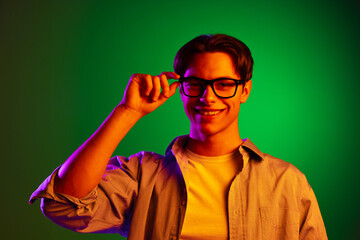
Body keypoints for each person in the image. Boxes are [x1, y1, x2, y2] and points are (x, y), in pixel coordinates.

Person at [29, 34, 327, 239]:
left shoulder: (287, 182)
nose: (207, 98)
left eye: (223, 84)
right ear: (180, 88)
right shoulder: (144, 176)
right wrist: (127, 111)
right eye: (195, 83)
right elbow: (62, 204)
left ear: (244, 90)